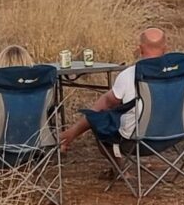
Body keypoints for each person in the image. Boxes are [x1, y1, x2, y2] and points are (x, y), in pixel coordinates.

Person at [62, 27, 170, 155]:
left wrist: (77, 129)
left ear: (140, 49)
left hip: (136, 142)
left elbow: (106, 102)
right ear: (165, 48)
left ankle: (124, 173)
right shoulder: (182, 73)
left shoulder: (130, 75)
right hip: (173, 135)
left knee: (99, 120)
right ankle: (68, 135)